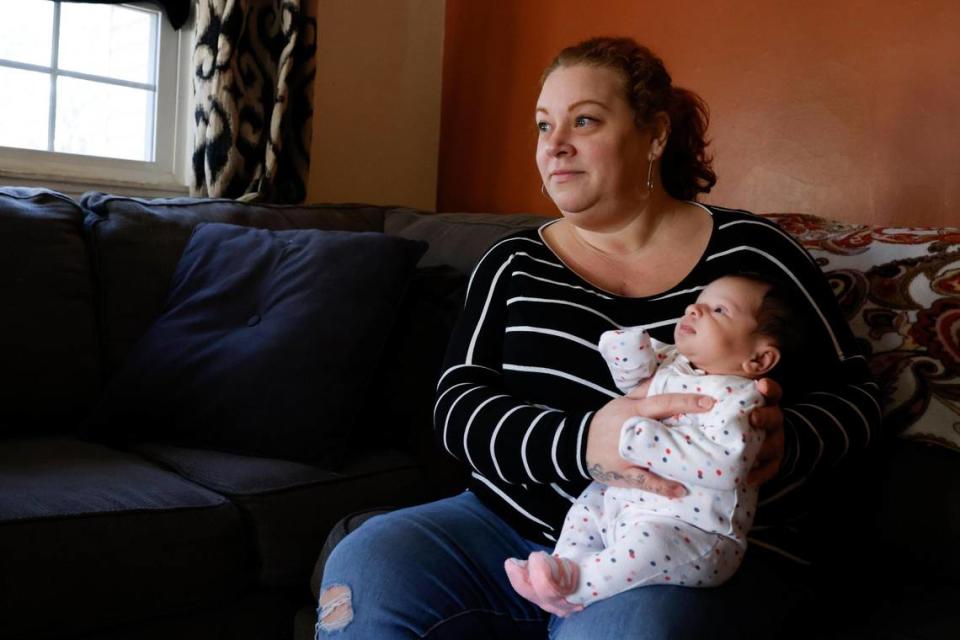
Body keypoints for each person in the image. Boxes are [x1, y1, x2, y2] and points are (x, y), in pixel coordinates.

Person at [316, 36, 879, 639]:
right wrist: (583, 441)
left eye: (584, 120)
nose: (554, 145)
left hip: (682, 547)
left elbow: (859, 394)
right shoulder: (513, 263)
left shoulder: (752, 256)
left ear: (655, 135)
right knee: (367, 563)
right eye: (542, 125)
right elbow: (457, 405)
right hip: (510, 529)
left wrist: (791, 440)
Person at [504, 274, 805, 617]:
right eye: (698, 302)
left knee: (650, 543)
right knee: (590, 504)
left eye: (719, 309)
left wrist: (646, 440)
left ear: (759, 360)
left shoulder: (741, 401)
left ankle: (576, 587)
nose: (695, 309)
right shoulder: (676, 363)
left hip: (693, 534)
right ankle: (562, 565)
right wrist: (627, 352)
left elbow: (724, 467)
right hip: (625, 502)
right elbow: (634, 379)